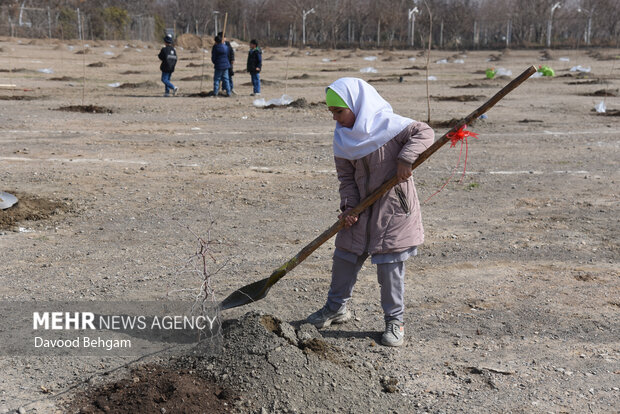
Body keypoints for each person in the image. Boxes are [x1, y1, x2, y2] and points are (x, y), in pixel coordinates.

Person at [306, 78, 434, 347]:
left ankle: (394, 321)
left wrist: (405, 159)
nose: (336, 119)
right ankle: (336, 308)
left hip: (393, 208)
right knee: (344, 257)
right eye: (332, 113)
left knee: (389, 267)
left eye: (339, 111)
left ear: (356, 105)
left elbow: (425, 133)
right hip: (361, 210)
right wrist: (349, 207)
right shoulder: (343, 139)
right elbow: (346, 178)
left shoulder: (393, 126)